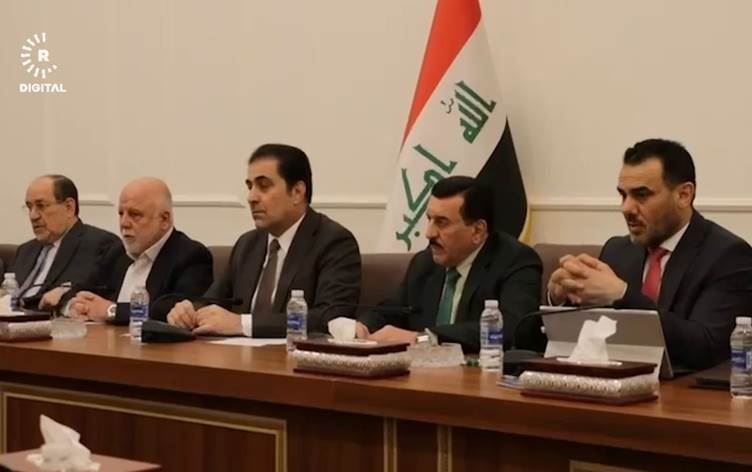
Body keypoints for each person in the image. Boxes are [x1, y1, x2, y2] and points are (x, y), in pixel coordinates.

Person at [547, 138, 752, 370]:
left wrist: (622, 295)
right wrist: (559, 299)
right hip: (615, 384)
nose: (626, 208)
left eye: (641, 195)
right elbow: (580, 341)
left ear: (684, 195)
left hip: (683, 389)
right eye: (623, 195)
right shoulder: (617, 251)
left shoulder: (728, 255)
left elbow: (708, 346)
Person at [166, 144, 361, 337]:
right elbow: (214, 301)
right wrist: (190, 311)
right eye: (250, 186)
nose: (251, 197)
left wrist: (242, 323)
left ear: (297, 192)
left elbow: (331, 318)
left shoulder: (334, 242)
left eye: (264, 186)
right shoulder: (247, 244)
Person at [356, 176, 542, 353]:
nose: (429, 233)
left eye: (442, 222)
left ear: (477, 231)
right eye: (429, 219)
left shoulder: (516, 261)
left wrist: (424, 339)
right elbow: (391, 311)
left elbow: (513, 328)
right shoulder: (424, 263)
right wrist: (363, 326)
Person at [66, 177, 213, 324]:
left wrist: (112, 311)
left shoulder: (192, 256)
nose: (124, 223)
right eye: (121, 213)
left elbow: (172, 311)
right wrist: (75, 305)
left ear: (164, 219)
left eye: (135, 214)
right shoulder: (116, 252)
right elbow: (83, 289)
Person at [11, 175, 118, 309]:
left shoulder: (101, 246)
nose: (33, 216)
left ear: (69, 207)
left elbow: (99, 297)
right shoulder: (25, 251)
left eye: (41, 206)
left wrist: (64, 297)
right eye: (29, 207)